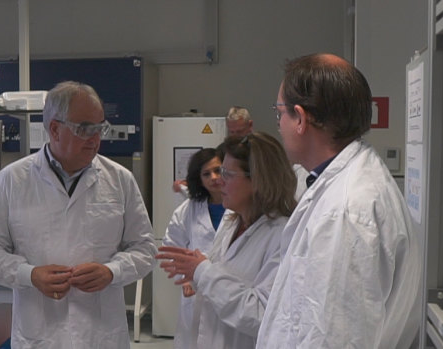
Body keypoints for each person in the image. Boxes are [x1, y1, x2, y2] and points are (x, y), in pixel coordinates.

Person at [0, 81, 157, 348]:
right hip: (40, 335)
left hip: (101, 335)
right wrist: (29, 275)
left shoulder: (119, 180)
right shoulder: (11, 181)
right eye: (84, 129)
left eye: (99, 128)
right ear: (55, 129)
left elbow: (145, 248)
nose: (95, 138)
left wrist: (112, 271)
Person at [257, 53, 422, 348]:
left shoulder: (345, 212)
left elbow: (335, 337)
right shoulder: (348, 183)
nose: (278, 124)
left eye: (279, 112)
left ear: (300, 119)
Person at [157, 131, 297, 349]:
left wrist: (203, 271)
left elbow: (262, 315)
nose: (219, 181)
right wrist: (195, 271)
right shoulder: (232, 222)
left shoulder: (281, 236)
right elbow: (222, 280)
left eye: (227, 174)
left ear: (258, 180)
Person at [162, 147, 227, 349]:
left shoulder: (242, 206)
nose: (214, 177)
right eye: (206, 174)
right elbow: (171, 247)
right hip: (197, 293)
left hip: (232, 290)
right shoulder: (188, 210)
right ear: (198, 179)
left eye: (219, 170)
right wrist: (186, 278)